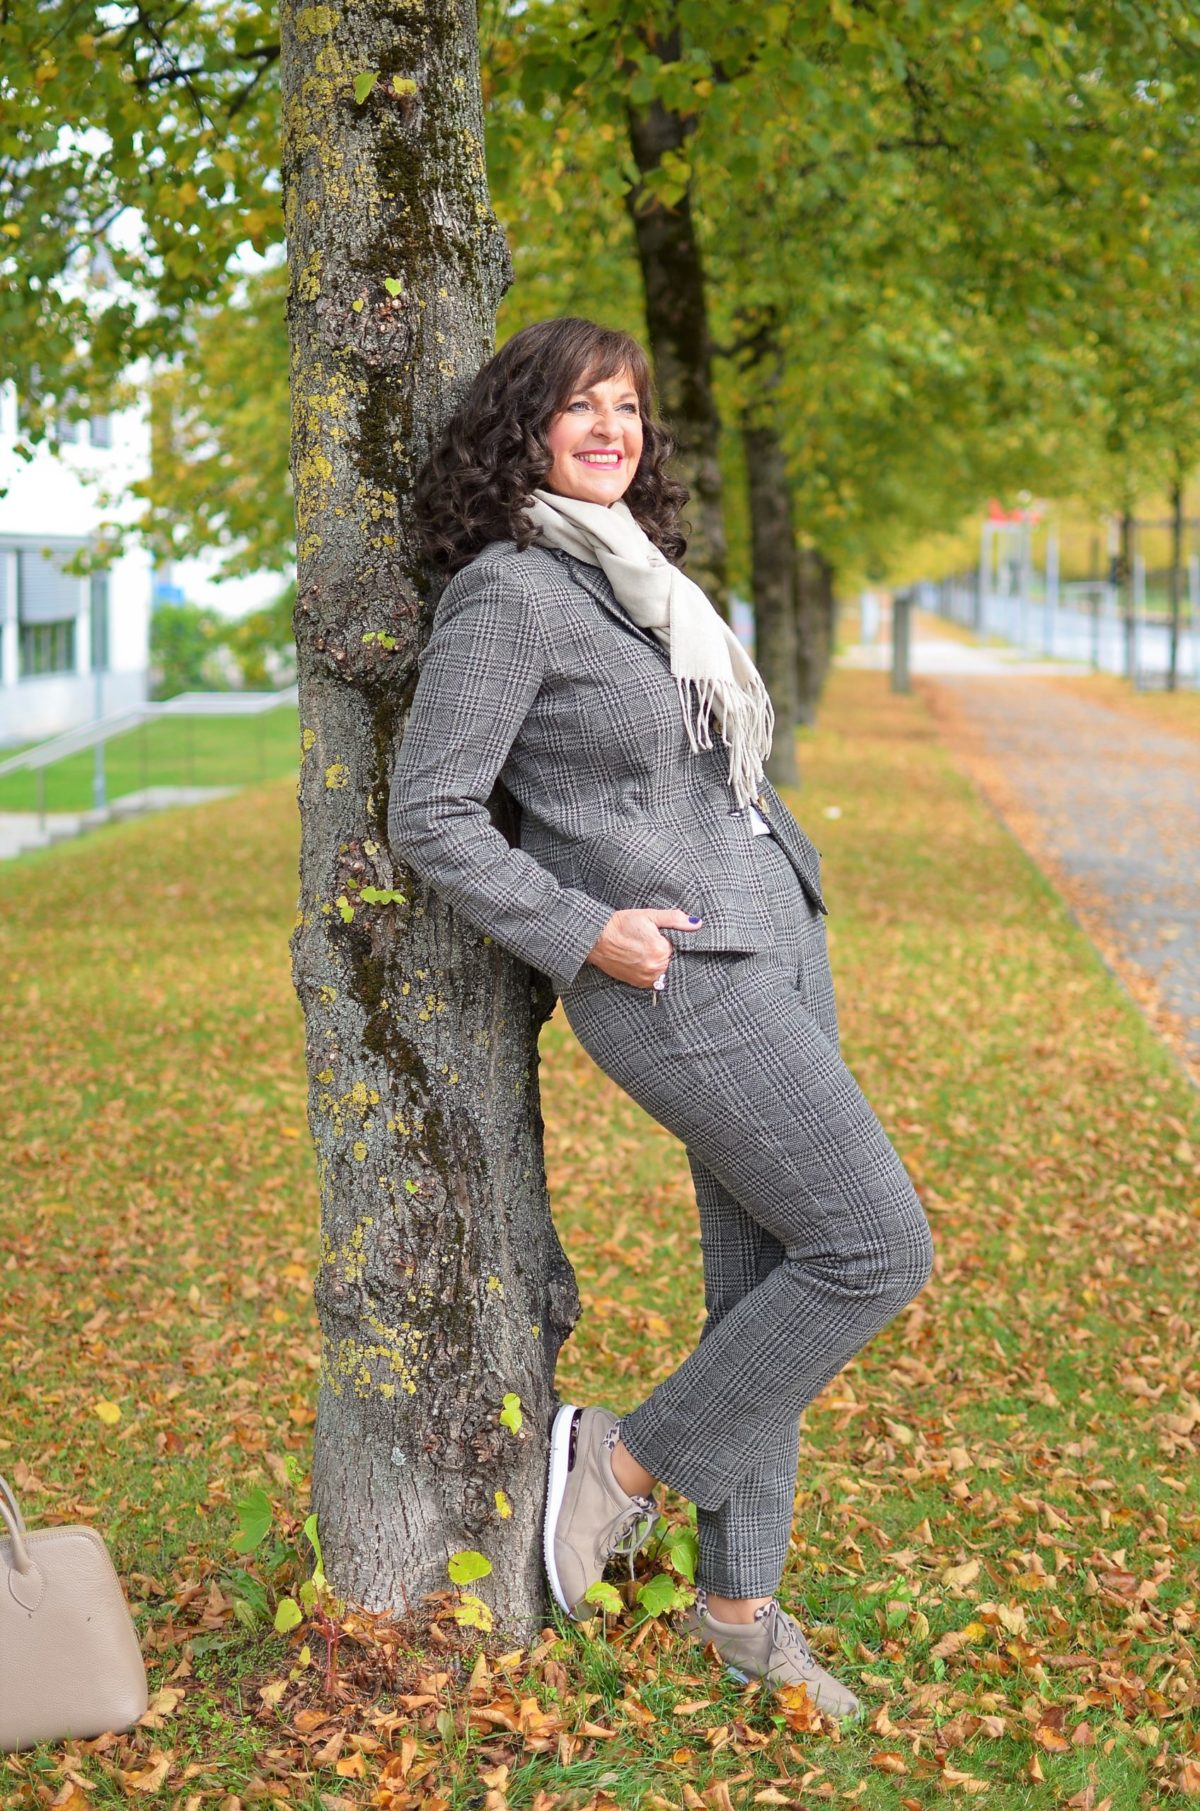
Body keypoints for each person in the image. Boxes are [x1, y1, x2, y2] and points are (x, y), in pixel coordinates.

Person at [388, 316, 933, 1715]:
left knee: (769, 1284)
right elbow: (431, 813)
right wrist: (585, 931)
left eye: (627, 407)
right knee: (875, 1246)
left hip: (775, 947)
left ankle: (740, 1609)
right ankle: (616, 1466)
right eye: (580, 406)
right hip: (675, 978)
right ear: (523, 428)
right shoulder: (511, 592)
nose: (611, 430)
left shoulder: (635, 580)